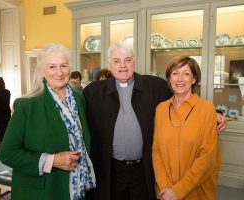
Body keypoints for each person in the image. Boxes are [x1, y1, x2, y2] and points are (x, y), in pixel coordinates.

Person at [83, 42, 226, 200]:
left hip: (144, 171)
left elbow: (182, 94)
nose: (122, 65)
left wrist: (215, 113)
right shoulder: (94, 92)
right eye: (117, 61)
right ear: (109, 65)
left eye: (128, 60)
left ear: (134, 62)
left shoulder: (154, 86)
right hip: (110, 171)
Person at [0, 43, 96, 200]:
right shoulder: (27, 105)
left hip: (78, 188)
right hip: (42, 192)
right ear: (42, 71)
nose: (59, 72)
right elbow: (8, 154)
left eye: (63, 66)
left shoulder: (79, 99)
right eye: (52, 67)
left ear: (69, 68)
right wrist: (52, 160)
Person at [152, 56, 220, 200]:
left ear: (194, 79)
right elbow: (156, 150)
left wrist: (177, 191)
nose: (180, 79)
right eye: (175, 73)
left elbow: (207, 158)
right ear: (169, 78)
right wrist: (165, 187)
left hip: (195, 192)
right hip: (165, 192)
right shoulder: (161, 109)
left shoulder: (207, 109)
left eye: (186, 73)